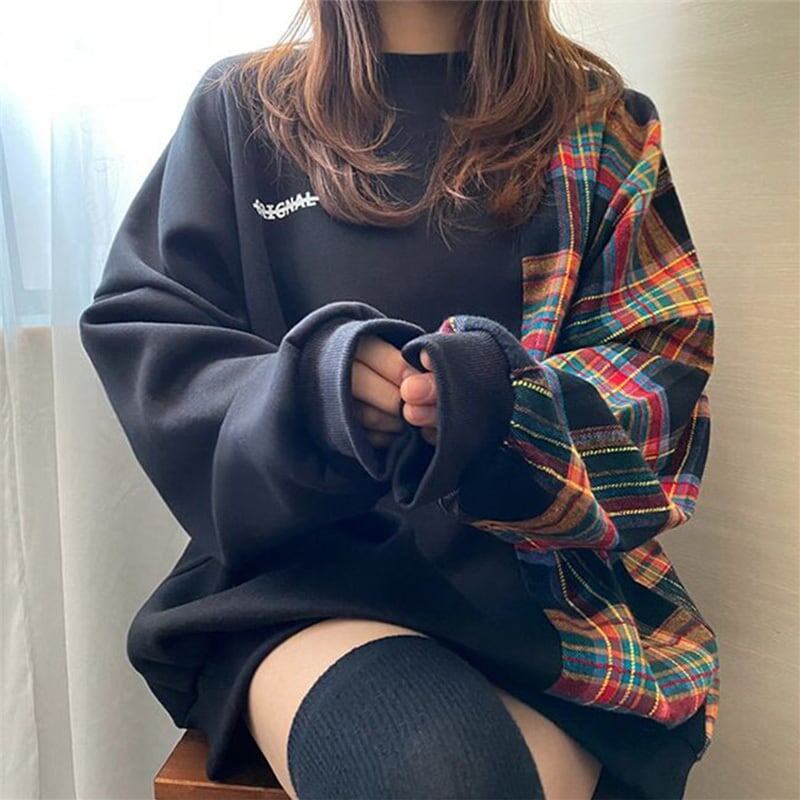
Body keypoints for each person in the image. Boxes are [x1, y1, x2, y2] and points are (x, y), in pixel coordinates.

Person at [78, 1, 720, 798]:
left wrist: (498, 405)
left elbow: (660, 378)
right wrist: (313, 392)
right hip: (306, 582)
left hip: (553, 598)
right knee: (438, 777)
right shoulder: (242, 109)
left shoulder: (601, 122)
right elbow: (155, 338)